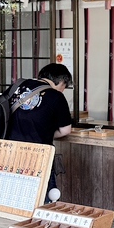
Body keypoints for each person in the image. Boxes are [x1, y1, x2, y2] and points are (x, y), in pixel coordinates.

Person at [6, 63, 73, 203]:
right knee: (43, 199)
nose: (63, 90)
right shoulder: (56, 96)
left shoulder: (16, 87)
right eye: (64, 86)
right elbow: (65, 130)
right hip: (38, 155)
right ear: (60, 81)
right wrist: (47, 132)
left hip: (9, 153)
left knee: (15, 199)